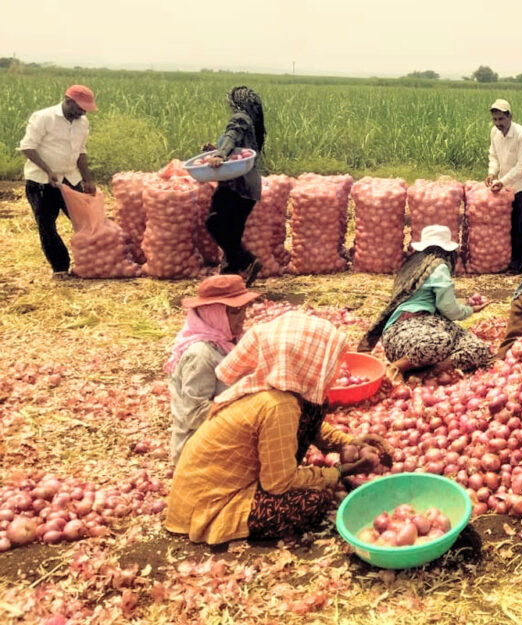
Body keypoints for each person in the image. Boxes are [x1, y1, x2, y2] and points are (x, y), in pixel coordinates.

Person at [166, 312, 390, 545]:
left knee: (315, 411)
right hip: (212, 504)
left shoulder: (277, 390)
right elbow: (278, 484)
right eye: (332, 361)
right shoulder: (279, 406)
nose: (336, 370)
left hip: (205, 490)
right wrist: (340, 472)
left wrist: (348, 442)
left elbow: (309, 425)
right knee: (314, 500)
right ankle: (224, 524)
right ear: (307, 361)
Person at [357, 225, 493, 376]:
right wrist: (470, 310)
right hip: (410, 332)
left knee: (478, 349)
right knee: (441, 341)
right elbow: (448, 308)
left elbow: (437, 301)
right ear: (448, 250)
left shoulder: (414, 264)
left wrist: (464, 305)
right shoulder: (439, 266)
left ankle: (427, 373)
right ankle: (396, 368)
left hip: (407, 338)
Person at [165, 275, 261, 464]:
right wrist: (247, 414)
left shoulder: (230, 342)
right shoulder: (201, 354)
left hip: (226, 437)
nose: (243, 316)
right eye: (234, 311)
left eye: (243, 309)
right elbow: (194, 414)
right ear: (213, 313)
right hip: (199, 450)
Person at [18, 85, 98, 278]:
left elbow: (81, 152)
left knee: (84, 222)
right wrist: (48, 171)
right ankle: (60, 267)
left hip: (71, 178)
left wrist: (87, 179)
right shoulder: (44, 117)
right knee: (47, 225)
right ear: (68, 100)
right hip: (42, 182)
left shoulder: (82, 122)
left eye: (86, 108)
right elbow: (27, 147)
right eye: (80, 107)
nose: (83, 111)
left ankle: (90, 263)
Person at [202, 86, 266, 285]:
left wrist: (220, 154)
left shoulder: (240, 118)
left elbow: (232, 135)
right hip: (250, 187)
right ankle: (230, 281)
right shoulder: (253, 124)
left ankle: (247, 260)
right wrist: (216, 150)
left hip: (236, 184)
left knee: (213, 223)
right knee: (232, 234)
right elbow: (239, 150)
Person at [485, 99, 522, 274]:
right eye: (495, 119)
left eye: (501, 119)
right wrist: (492, 173)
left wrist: (503, 182)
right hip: (504, 180)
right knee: (504, 223)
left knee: (520, 220)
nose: (498, 123)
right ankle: (502, 261)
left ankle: (518, 265)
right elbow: (493, 155)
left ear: (510, 117)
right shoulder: (494, 132)